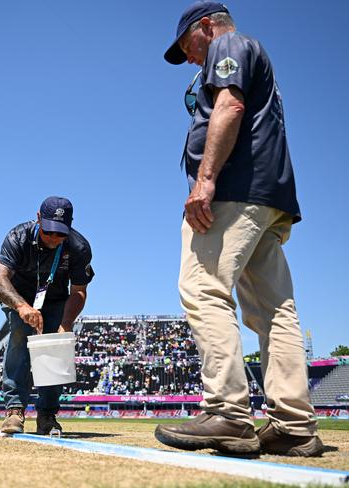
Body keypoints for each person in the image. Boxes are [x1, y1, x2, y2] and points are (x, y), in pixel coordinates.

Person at [155, 2, 323, 457]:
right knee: (274, 311)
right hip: (270, 199)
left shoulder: (228, 43)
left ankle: (227, 413)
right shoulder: (250, 52)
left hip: (236, 190)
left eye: (188, 45)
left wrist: (205, 180)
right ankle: (293, 425)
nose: (190, 58)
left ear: (206, 27)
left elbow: (229, 104)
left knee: (202, 287)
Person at [0, 196, 94, 434]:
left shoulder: (79, 247)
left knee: (55, 351)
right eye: (49, 232)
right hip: (20, 298)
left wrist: (66, 324)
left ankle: (47, 415)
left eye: (61, 234)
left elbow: (79, 291)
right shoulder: (18, 237)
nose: (54, 239)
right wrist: (22, 307)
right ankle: (14, 410)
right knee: (19, 338)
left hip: (57, 302)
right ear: (38, 218)